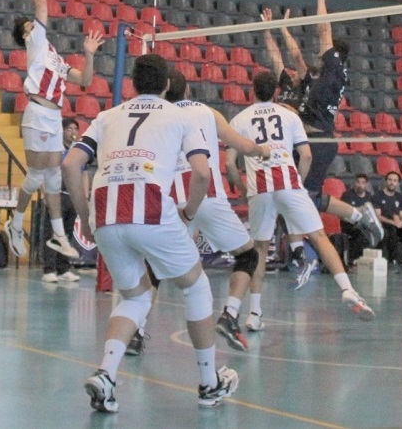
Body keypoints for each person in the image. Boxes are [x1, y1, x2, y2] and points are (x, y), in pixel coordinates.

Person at [64, 53, 239, 412]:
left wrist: (86, 217)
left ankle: (106, 374)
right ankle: (209, 383)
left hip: (106, 212)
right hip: (150, 208)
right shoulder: (182, 115)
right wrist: (189, 211)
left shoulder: (106, 115)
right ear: (166, 86)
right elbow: (202, 174)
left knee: (135, 297)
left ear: (131, 85)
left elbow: (70, 163)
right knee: (196, 285)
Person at [226, 71, 375, 333]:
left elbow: (229, 164)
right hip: (287, 182)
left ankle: (254, 313)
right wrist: (300, 184)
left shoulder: (239, 119)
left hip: (259, 187)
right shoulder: (289, 115)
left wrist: (244, 189)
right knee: (318, 236)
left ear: (252, 91)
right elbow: (305, 156)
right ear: (276, 92)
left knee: (259, 249)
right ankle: (348, 290)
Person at [164, 70, 270, 352]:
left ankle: (136, 332)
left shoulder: (160, 116)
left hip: (172, 201)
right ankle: (230, 315)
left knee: (153, 267)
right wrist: (263, 151)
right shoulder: (208, 113)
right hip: (207, 196)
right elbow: (243, 146)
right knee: (249, 255)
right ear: (187, 91)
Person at [3, 0, 104, 261]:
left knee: (53, 180)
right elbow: (42, 2)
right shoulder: (35, 44)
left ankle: (59, 235)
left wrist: (88, 55)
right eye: (28, 26)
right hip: (36, 113)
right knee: (36, 176)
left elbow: (85, 80)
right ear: (25, 35)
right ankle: (16, 223)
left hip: (53, 117)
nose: (33, 26)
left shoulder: (54, 58)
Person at [295, 0, 383, 252]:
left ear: (335, 55)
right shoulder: (328, 74)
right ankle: (357, 216)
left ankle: (355, 218)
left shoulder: (333, 67)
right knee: (306, 195)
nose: (322, 52)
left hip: (319, 143)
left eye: (327, 50)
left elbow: (323, 31)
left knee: (304, 196)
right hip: (310, 140)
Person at [42, 118, 83, 283]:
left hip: (71, 196)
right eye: (69, 129)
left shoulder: (77, 151)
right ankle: (49, 269)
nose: (72, 132)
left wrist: (83, 195)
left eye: (75, 129)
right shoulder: (54, 149)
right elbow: (44, 171)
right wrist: (45, 193)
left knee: (67, 233)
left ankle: (63, 268)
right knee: (52, 233)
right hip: (55, 194)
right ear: (62, 131)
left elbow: (84, 172)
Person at [372, 171, 402, 273]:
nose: (392, 182)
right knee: (392, 231)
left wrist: (401, 222)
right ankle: (393, 261)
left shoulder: (399, 197)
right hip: (383, 224)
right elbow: (378, 216)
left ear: (398, 183)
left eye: (395, 180)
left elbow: (401, 214)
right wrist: (394, 222)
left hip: (396, 224)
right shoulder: (378, 196)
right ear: (386, 181)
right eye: (390, 180)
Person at [340, 174, 372, 264]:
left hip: (364, 224)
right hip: (348, 224)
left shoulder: (369, 197)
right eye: (358, 182)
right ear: (354, 183)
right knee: (361, 232)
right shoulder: (347, 195)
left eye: (363, 182)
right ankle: (353, 259)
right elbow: (341, 215)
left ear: (366, 184)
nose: (360, 185)